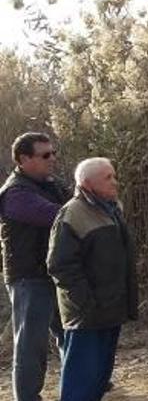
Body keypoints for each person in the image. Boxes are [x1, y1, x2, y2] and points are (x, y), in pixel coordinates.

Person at [47, 158, 137, 401]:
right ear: (87, 183)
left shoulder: (111, 208)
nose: (114, 182)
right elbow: (60, 265)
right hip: (87, 315)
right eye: (107, 177)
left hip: (110, 309)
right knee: (81, 381)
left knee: (98, 377)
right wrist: (86, 303)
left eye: (113, 176)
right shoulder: (72, 213)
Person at [0, 132, 68, 401]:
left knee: (68, 334)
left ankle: (76, 385)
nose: (52, 159)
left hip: (54, 274)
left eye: (53, 153)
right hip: (29, 277)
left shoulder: (51, 184)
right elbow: (56, 216)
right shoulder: (15, 193)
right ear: (23, 159)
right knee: (31, 344)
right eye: (45, 155)